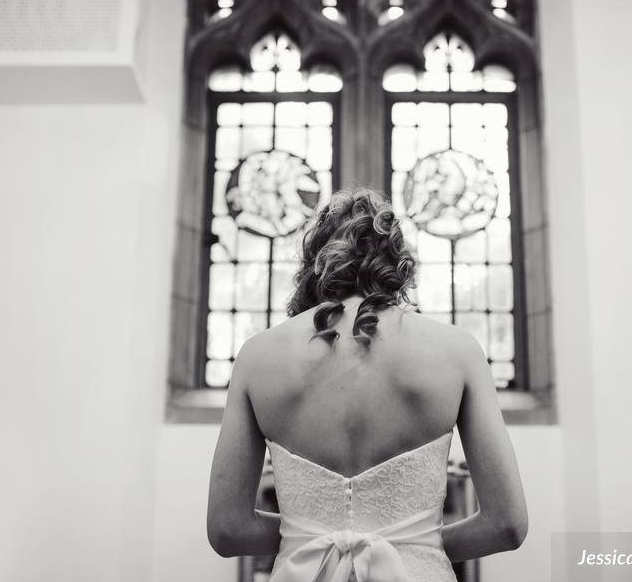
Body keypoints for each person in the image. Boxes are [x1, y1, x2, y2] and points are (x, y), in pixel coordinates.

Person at [207, 188, 527, 581]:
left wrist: (308, 539)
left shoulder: (257, 356)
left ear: (314, 262)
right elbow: (507, 524)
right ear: (397, 263)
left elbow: (227, 529)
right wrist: (416, 543)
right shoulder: (458, 351)